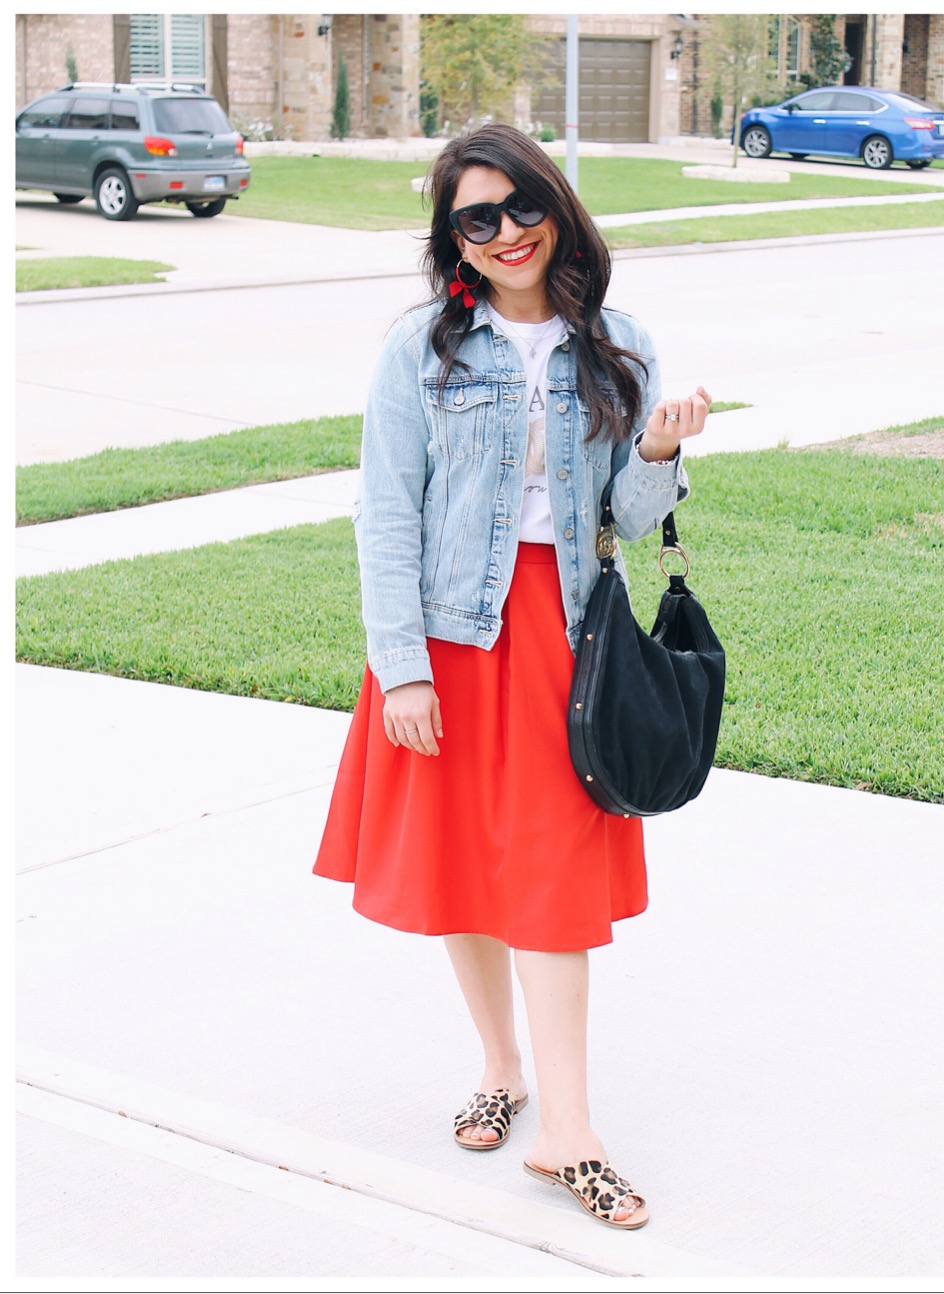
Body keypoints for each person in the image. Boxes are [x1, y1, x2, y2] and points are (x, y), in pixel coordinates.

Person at [314, 122, 711, 1230]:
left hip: (563, 638)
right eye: (474, 219)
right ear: (453, 237)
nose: (504, 234)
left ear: (555, 205)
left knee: (551, 884)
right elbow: (385, 511)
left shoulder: (615, 339)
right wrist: (400, 668)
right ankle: (501, 1067)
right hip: (446, 640)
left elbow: (622, 521)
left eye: (519, 208)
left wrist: (659, 454)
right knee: (462, 868)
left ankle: (569, 1134)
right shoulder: (422, 345)